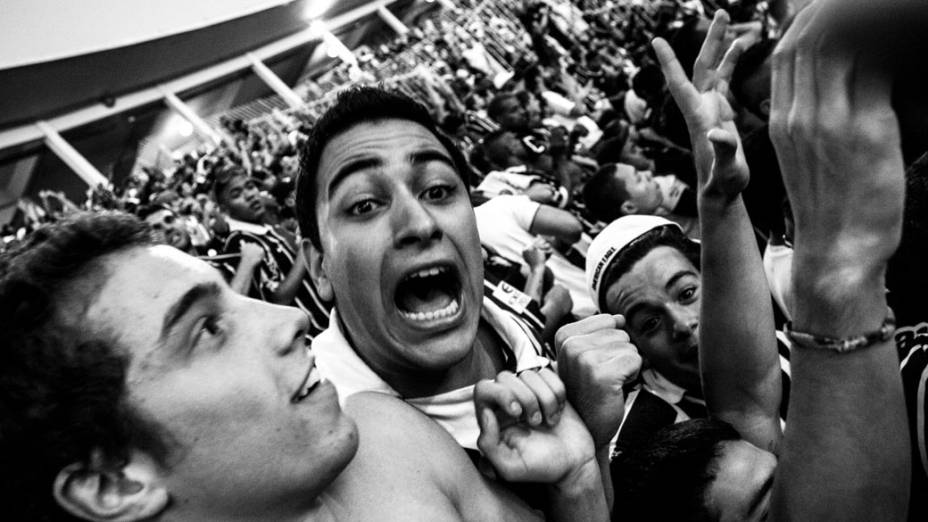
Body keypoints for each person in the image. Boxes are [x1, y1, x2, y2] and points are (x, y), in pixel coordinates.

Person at [0, 211, 609, 521]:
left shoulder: (382, 439)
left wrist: (579, 482)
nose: (288, 318)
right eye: (206, 329)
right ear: (114, 485)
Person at [295, 87, 640, 507]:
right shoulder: (340, 457)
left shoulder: (501, 308)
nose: (420, 223)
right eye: (365, 204)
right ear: (319, 267)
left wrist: (589, 456)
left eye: (437, 190)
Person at [213, 166, 331, 337]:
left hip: (327, 321)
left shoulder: (265, 228)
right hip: (312, 336)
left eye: (250, 186)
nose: (250, 195)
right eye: (237, 194)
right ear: (224, 211)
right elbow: (278, 298)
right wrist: (305, 249)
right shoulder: (240, 242)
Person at [582, 162, 699, 238]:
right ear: (629, 208)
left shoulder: (662, 189)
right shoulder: (654, 245)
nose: (648, 173)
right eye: (639, 179)